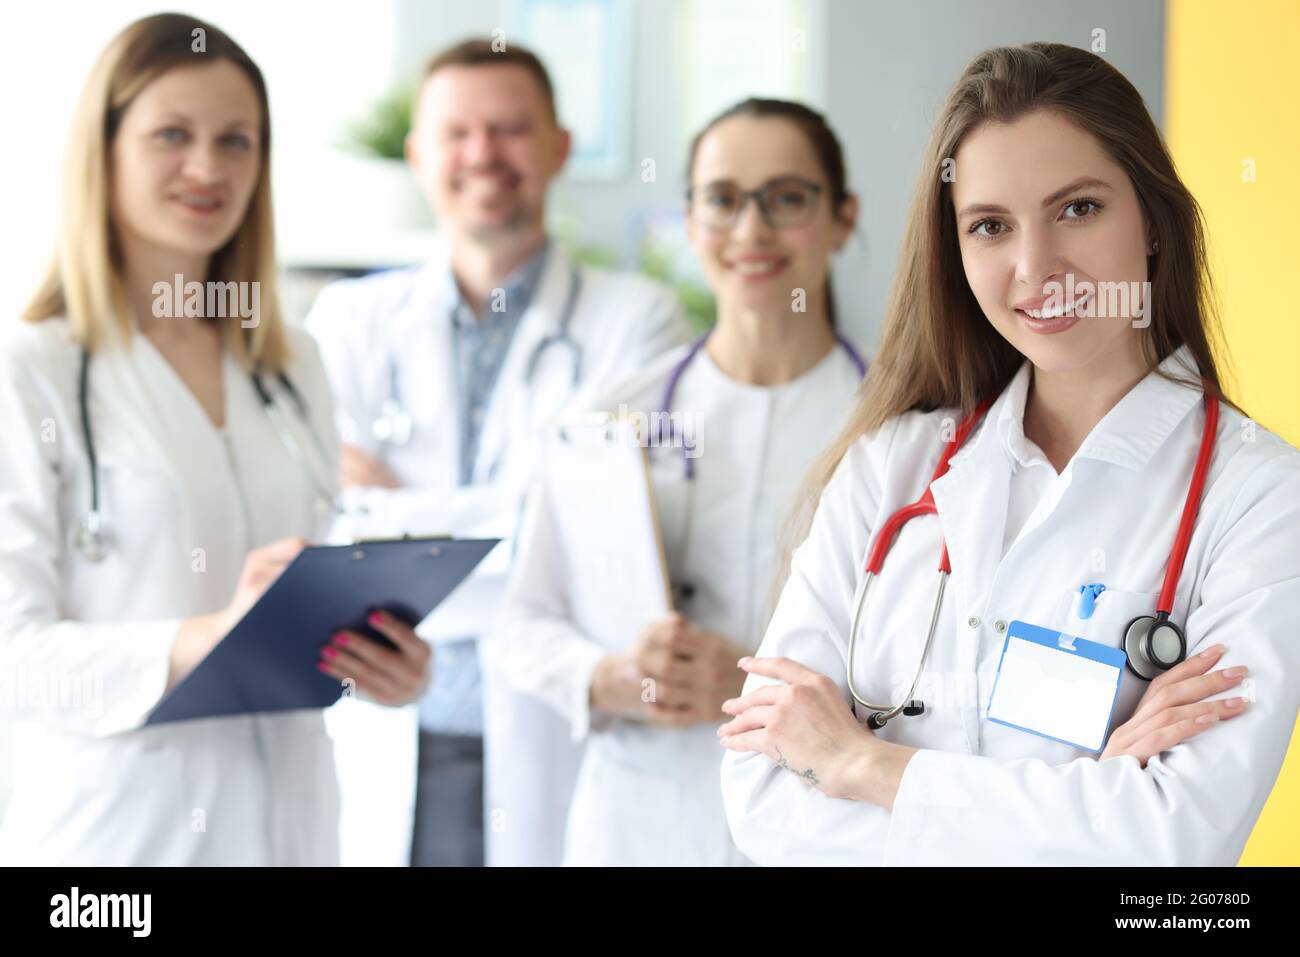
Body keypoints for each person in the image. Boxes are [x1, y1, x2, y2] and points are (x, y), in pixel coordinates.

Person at [718, 42, 1299, 866]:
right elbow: (761, 791)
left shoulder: (1260, 494)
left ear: (1155, 224)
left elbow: (1171, 837)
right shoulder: (891, 466)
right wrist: (1084, 799)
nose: (1037, 268)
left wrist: (863, 763)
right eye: (991, 225)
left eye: (1078, 209)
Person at [0, 13, 429, 866]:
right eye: (173, 134)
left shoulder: (289, 361)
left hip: (295, 829)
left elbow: (303, 586)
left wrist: (381, 663)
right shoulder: (32, 369)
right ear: (105, 149)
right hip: (119, 847)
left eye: (237, 140)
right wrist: (205, 634)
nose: (209, 168)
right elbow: (14, 656)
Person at [305, 39, 688, 867]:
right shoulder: (349, 321)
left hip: (560, 732)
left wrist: (386, 519)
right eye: (457, 132)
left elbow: (612, 545)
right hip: (390, 735)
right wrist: (532, 517)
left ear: (556, 148)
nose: (483, 154)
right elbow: (325, 534)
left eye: (510, 129)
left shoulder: (641, 322)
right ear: (418, 155)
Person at [497, 99, 868, 865]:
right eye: (723, 199)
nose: (752, 230)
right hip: (639, 823)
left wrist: (751, 680)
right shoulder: (612, 415)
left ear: (841, 218)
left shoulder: (900, 428)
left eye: (788, 198)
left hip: (824, 827)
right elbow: (523, 625)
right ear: (690, 218)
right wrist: (615, 677)